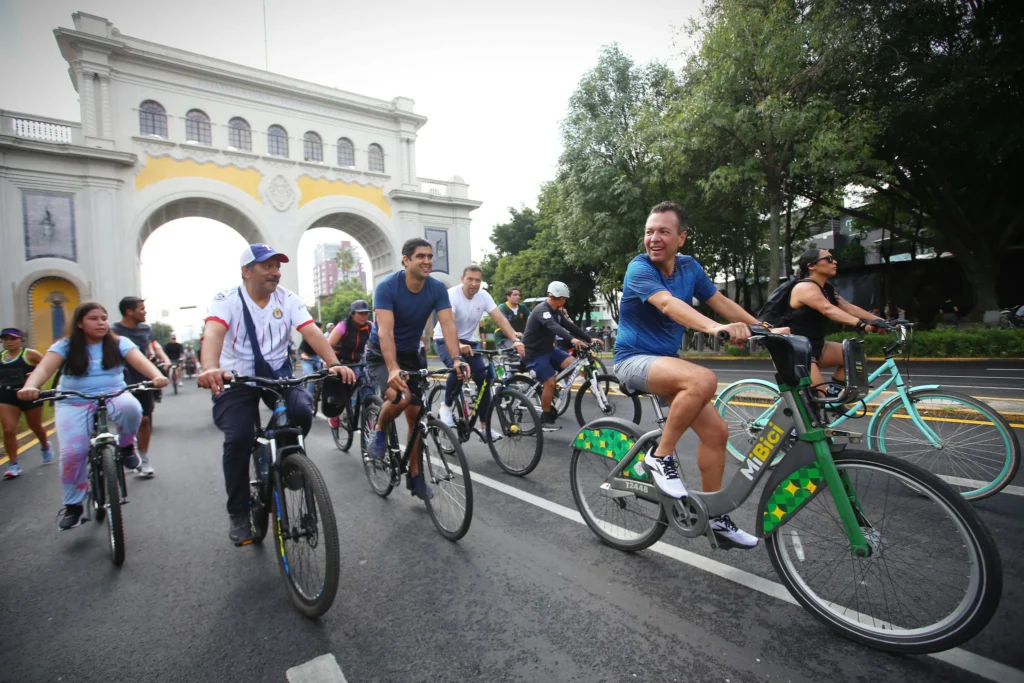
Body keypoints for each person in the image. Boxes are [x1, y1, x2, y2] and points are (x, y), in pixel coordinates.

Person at [613, 201, 791, 550]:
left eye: (664, 231)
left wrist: (765, 329)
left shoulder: (689, 268)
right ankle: (660, 457)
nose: (654, 238)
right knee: (702, 379)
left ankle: (714, 516)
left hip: (666, 362)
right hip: (633, 359)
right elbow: (668, 305)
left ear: (682, 237)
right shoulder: (639, 269)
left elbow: (720, 301)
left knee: (717, 432)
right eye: (649, 231)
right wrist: (715, 328)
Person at [197, 244, 355, 545]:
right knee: (239, 437)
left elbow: (310, 332)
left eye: (277, 266)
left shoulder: (288, 299)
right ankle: (239, 512)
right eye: (267, 266)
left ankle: (285, 456)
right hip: (235, 377)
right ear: (246, 271)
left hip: (277, 374)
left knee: (301, 410)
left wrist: (333, 364)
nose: (275, 272)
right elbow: (214, 333)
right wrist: (210, 368)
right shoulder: (226, 299)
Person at [17, 302, 168, 529]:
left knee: (133, 408)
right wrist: (31, 386)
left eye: (104, 318)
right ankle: (74, 506)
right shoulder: (65, 345)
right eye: (93, 318)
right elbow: (44, 369)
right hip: (73, 401)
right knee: (73, 452)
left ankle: (127, 446)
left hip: (113, 394)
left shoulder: (119, 342)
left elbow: (141, 361)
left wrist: (157, 376)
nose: (101, 323)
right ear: (79, 323)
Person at [366, 238, 467, 500]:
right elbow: (386, 331)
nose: (427, 261)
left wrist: (456, 359)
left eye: (430, 256)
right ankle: (379, 430)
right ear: (406, 260)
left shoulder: (436, 288)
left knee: (416, 418)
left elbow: (448, 326)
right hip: (382, 353)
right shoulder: (387, 287)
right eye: (420, 256)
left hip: (412, 354)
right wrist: (392, 368)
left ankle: (415, 476)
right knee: (400, 398)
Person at [432, 265, 526, 441]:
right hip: (444, 339)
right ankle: (446, 405)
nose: (474, 284)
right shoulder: (452, 295)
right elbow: (449, 325)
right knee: (459, 367)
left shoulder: (483, 296)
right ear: (462, 279)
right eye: (470, 279)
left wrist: (515, 339)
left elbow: (500, 319)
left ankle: (485, 428)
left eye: (478, 280)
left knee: (484, 381)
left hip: (468, 342)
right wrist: (457, 344)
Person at [786, 249, 885, 398]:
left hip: (815, 345)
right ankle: (823, 405)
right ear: (812, 266)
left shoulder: (826, 289)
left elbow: (849, 308)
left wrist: (882, 321)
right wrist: (861, 324)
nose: (835, 262)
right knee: (819, 398)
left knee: (855, 357)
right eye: (829, 259)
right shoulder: (804, 287)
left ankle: (834, 397)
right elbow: (828, 309)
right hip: (797, 350)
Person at [522, 281, 602, 429]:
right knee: (550, 382)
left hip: (548, 350)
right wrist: (573, 339)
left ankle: (550, 388)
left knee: (573, 364)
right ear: (555, 297)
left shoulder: (557, 312)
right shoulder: (542, 310)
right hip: (533, 353)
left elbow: (569, 326)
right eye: (562, 298)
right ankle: (545, 414)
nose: (563, 301)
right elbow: (554, 327)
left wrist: (589, 338)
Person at [112, 297, 169, 477]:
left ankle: (144, 460)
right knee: (124, 421)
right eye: (141, 309)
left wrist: (164, 360)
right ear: (129, 311)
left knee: (144, 420)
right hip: (121, 381)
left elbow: (153, 347)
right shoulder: (113, 331)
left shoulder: (146, 329)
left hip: (143, 379)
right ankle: (127, 446)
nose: (145, 312)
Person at [1, 328, 53, 478]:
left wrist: (36, 373)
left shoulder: (29, 354)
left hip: (29, 394)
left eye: (12, 338)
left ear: (20, 340)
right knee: (8, 430)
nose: (9, 342)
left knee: (35, 426)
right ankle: (13, 464)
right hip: (7, 395)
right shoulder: (1, 356)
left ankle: (44, 445)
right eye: (5, 339)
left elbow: (46, 365)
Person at [325, 299, 374, 431]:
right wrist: (332, 364)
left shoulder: (370, 326)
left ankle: (371, 421)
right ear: (352, 314)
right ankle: (334, 414)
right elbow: (326, 346)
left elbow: (380, 342)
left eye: (366, 313)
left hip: (358, 362)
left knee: (368, 390)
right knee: (342, 391)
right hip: (340, 361)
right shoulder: (343, 326)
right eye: (360, 313)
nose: (364, 316)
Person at [298, 321, 326, 398]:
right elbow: (300, 349)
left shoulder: (322, 338)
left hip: (317, 358)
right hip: (307, 360)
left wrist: (325, 360)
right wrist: (303, 355)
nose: (321, 330)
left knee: (326, 373)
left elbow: (326, 349)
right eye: (320, 328)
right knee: (311, 378)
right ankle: (309, 397)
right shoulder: (307, 338)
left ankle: (323, 393)